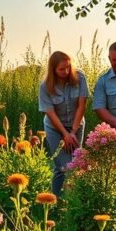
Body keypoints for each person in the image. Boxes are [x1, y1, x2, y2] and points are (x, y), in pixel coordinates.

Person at [38, 51, 89, 195]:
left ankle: (68, 199)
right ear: (53, 70)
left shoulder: (80, 77)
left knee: (76, 162)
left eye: (68, 67)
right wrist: (65, 134)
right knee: (63, 165)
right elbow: (50, 112)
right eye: (61, 69)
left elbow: (82, 105)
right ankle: (59, 202)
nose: (66, 71)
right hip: (54, 127)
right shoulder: (45, 86)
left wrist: (72, 132)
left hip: (76, 124)